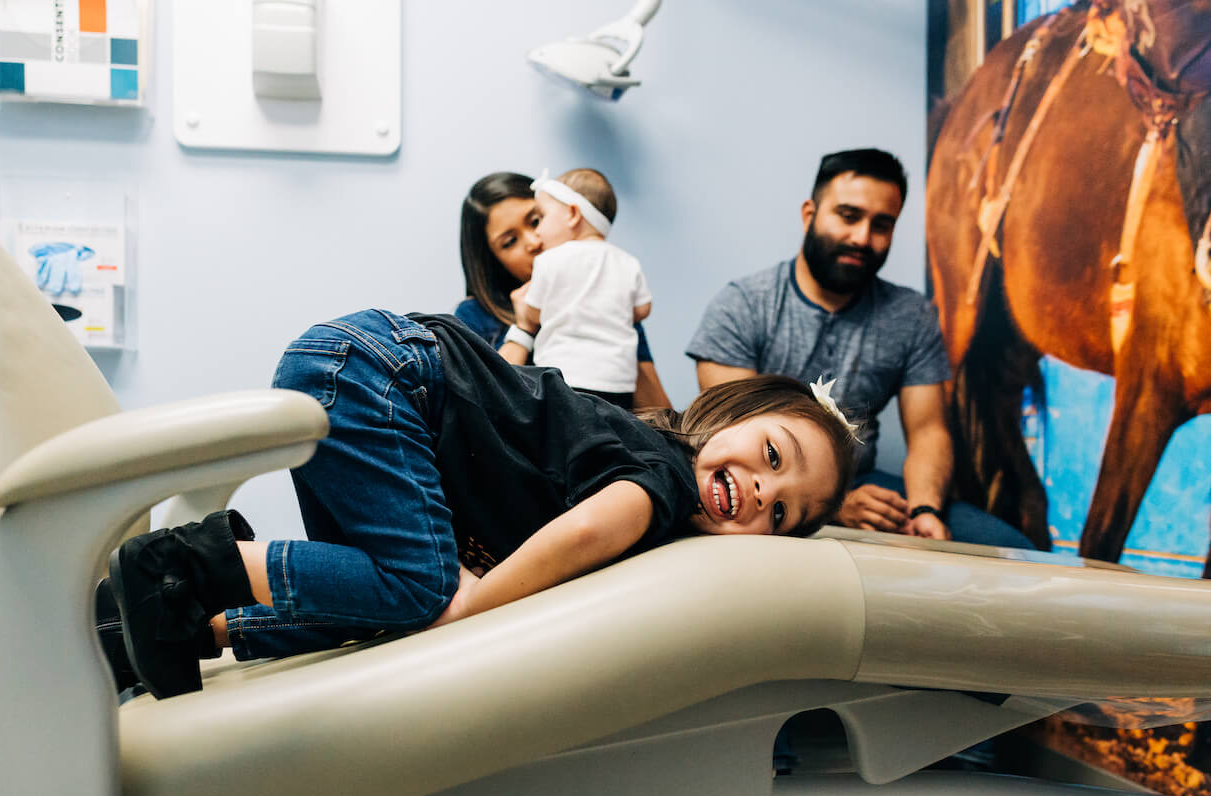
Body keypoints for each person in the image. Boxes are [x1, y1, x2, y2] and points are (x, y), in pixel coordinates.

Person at [99, 308, 857, 700]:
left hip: (358, 367)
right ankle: (187, 566)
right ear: (729, 416)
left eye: (784, 513)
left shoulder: (651, 481)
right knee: (425, 591)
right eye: (771, 456)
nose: (763, 492)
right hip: (387, 375)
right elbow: (597, 523)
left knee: (378, 609)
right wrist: (476, 605)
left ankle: (185, 625)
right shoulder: (660, 478)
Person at [687, 148, 1031, 549]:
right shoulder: (743, 304)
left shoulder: (911, 317)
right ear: (809, 215)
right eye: (848, 216)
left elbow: (927, 432)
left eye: (882, 225)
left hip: (870, 487)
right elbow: (725, 427)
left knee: (1012, 549)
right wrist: (833, 506)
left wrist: (924, 511)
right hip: (770, 494)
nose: (862, 238)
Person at [455, 171, 672, 409]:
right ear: (495, 261)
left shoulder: (607, 294)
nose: (534, 241)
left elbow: (657, 413)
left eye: (537, 220)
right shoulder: (475, 316)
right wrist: (524, 327)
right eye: (510, 242)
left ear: (571, 214)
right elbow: (484, 410)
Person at [514, 168, 652, 409]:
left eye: (541, 218)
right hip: (618, 382)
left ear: (573, 214)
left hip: (562, 378)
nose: (537, 232)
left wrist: (526, 313)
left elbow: (535, 314)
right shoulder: (628, 262)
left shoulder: (549, 260)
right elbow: (642, 310)